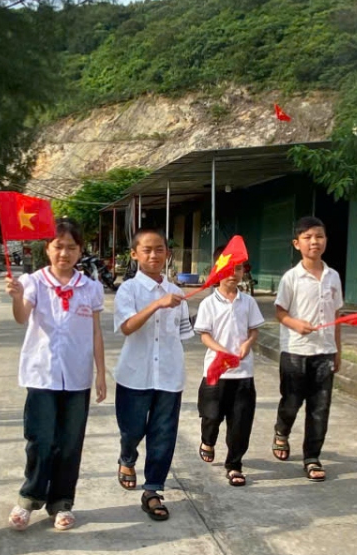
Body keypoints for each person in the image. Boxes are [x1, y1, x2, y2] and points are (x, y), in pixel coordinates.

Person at [4, 219, 107, 531]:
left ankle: (62, 502)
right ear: (47, 249)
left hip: (77, 376)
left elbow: (96, 331)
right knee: (40, 439)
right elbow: (22, 317)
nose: (64, 252)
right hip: (41, 374)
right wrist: (15, 297)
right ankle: (29, 497)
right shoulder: (34, 282)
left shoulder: (90, 288)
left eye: (71, 247)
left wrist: (101, 372)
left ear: (80, 250)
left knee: (70, 441)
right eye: (58, 246)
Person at [113, 227, 193, 520]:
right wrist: (156, 304)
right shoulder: (128, 290)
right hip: (135, 374)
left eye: (159, 249)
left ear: (167, 253)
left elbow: (183, 334)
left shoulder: (177, 293)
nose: (154, 255)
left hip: (169, 375)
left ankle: (153, 490)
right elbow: (126, 327)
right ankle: (127, 457)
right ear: (135, 254)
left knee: (163, 434)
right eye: (146, 249)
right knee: (132, 429)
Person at [272, 216, 342, 482]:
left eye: (319, 236)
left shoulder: (333, 276)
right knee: (291, 401)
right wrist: (295, 323)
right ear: (297, 243)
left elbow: (337, 315)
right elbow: (280, 311)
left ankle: (312, 456)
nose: (314, 242)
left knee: (320, 407)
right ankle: (282, 430)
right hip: (295, 350)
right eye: (308, 237)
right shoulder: (291, 278)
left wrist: (337, 350)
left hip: (324, 352)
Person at [194, 252, 264, 487]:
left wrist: (247, 343)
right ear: (217, 270)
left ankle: (234, 465)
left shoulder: (248, 302)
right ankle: (207, 441)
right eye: (229, 269)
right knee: (211, 416)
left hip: (243, 372)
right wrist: (220, 350)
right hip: (216, 371)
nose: (234, 274)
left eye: (239, 269)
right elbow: (204, 334)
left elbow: (254, 330)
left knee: (241, 421)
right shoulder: (208, 303)